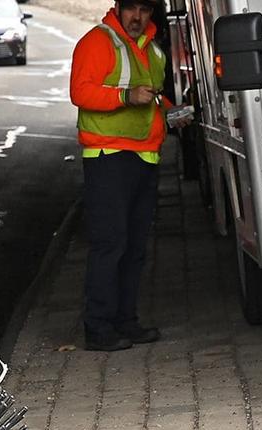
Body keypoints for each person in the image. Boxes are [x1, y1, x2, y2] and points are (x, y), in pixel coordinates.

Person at [69, 0, 189, 352]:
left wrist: (172, 112)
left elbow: (148, 100)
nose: (138, 17)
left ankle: (126, 321)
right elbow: (80, 91)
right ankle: (99, 328)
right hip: (108, 158)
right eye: (131, 9)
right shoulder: (98, 42)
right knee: (111, 244)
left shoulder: (152, 51)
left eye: (145, 10)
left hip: (143, 157)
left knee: (134, 247)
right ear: (118, 8)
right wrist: (125, 95)